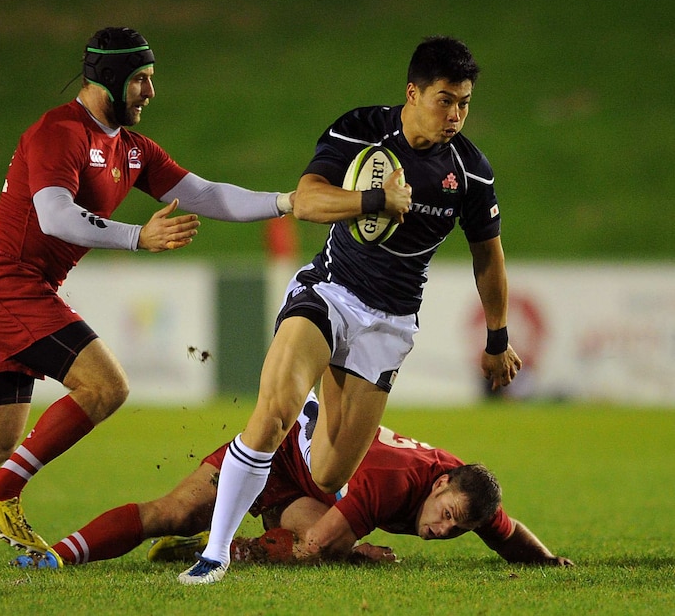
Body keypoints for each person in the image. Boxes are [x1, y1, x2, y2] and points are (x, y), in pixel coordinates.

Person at [0, 26, 295, 580]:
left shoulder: (131, 148)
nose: (150, 93)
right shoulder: (59, 131)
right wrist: (137, 237)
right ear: (108, 78)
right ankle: (2, 491)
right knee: (107, 387)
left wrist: (286, 201)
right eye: (141, 80)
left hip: (5, 290)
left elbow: (205, 193)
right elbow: (54, 215)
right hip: (9, 285)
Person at [178, 35, 524, 584]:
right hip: (330, 294)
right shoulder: (362, 129)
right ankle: (213, 554)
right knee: (272, 413)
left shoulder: (470, 171)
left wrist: (498, 339)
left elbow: (489, 257)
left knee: (329, 469)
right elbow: (306, 199)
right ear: (413, 92)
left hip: (388, 325)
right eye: (444, 99)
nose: (455, 114)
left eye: (464, 103)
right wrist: (373, 200)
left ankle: (306, 428)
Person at [9, 395, 571, 570]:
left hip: (312, 483)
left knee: (343, 546)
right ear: (439, 482)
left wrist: (545, 564)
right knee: (176, 510)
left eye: (458, 529)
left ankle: (222, 544)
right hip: (274, 446)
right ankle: (56, 557)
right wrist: (349, 554)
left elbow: (508, 532)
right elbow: (310, 544)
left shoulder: (466, 495)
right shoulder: (392, 483)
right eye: (446, 516)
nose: (445, 531)